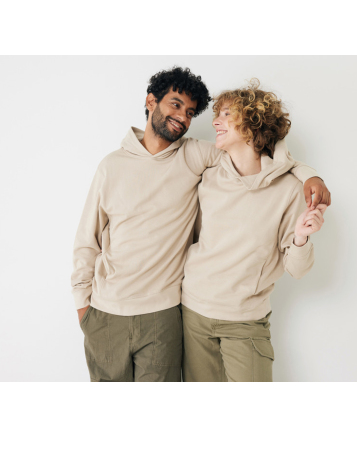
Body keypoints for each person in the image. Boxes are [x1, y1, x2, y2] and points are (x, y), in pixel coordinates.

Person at [71, 67, 330, 382]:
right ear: (151, 102)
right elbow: (87, 240)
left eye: (192, 112)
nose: (185, 117)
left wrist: (310, 178)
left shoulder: (199, 158)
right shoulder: (121, 166)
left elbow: (265, 159)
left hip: (183, 315)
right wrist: (83, 306)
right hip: (131, 311)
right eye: (176, 104)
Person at [181, 79, 327, 382]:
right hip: (193, 312)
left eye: (226, 114)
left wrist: (301, 238)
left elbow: (298, 270)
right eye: (217, 114)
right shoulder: (207, 175)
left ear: (253, 122)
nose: (215, 121)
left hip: (245, 321)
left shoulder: (290, 189)